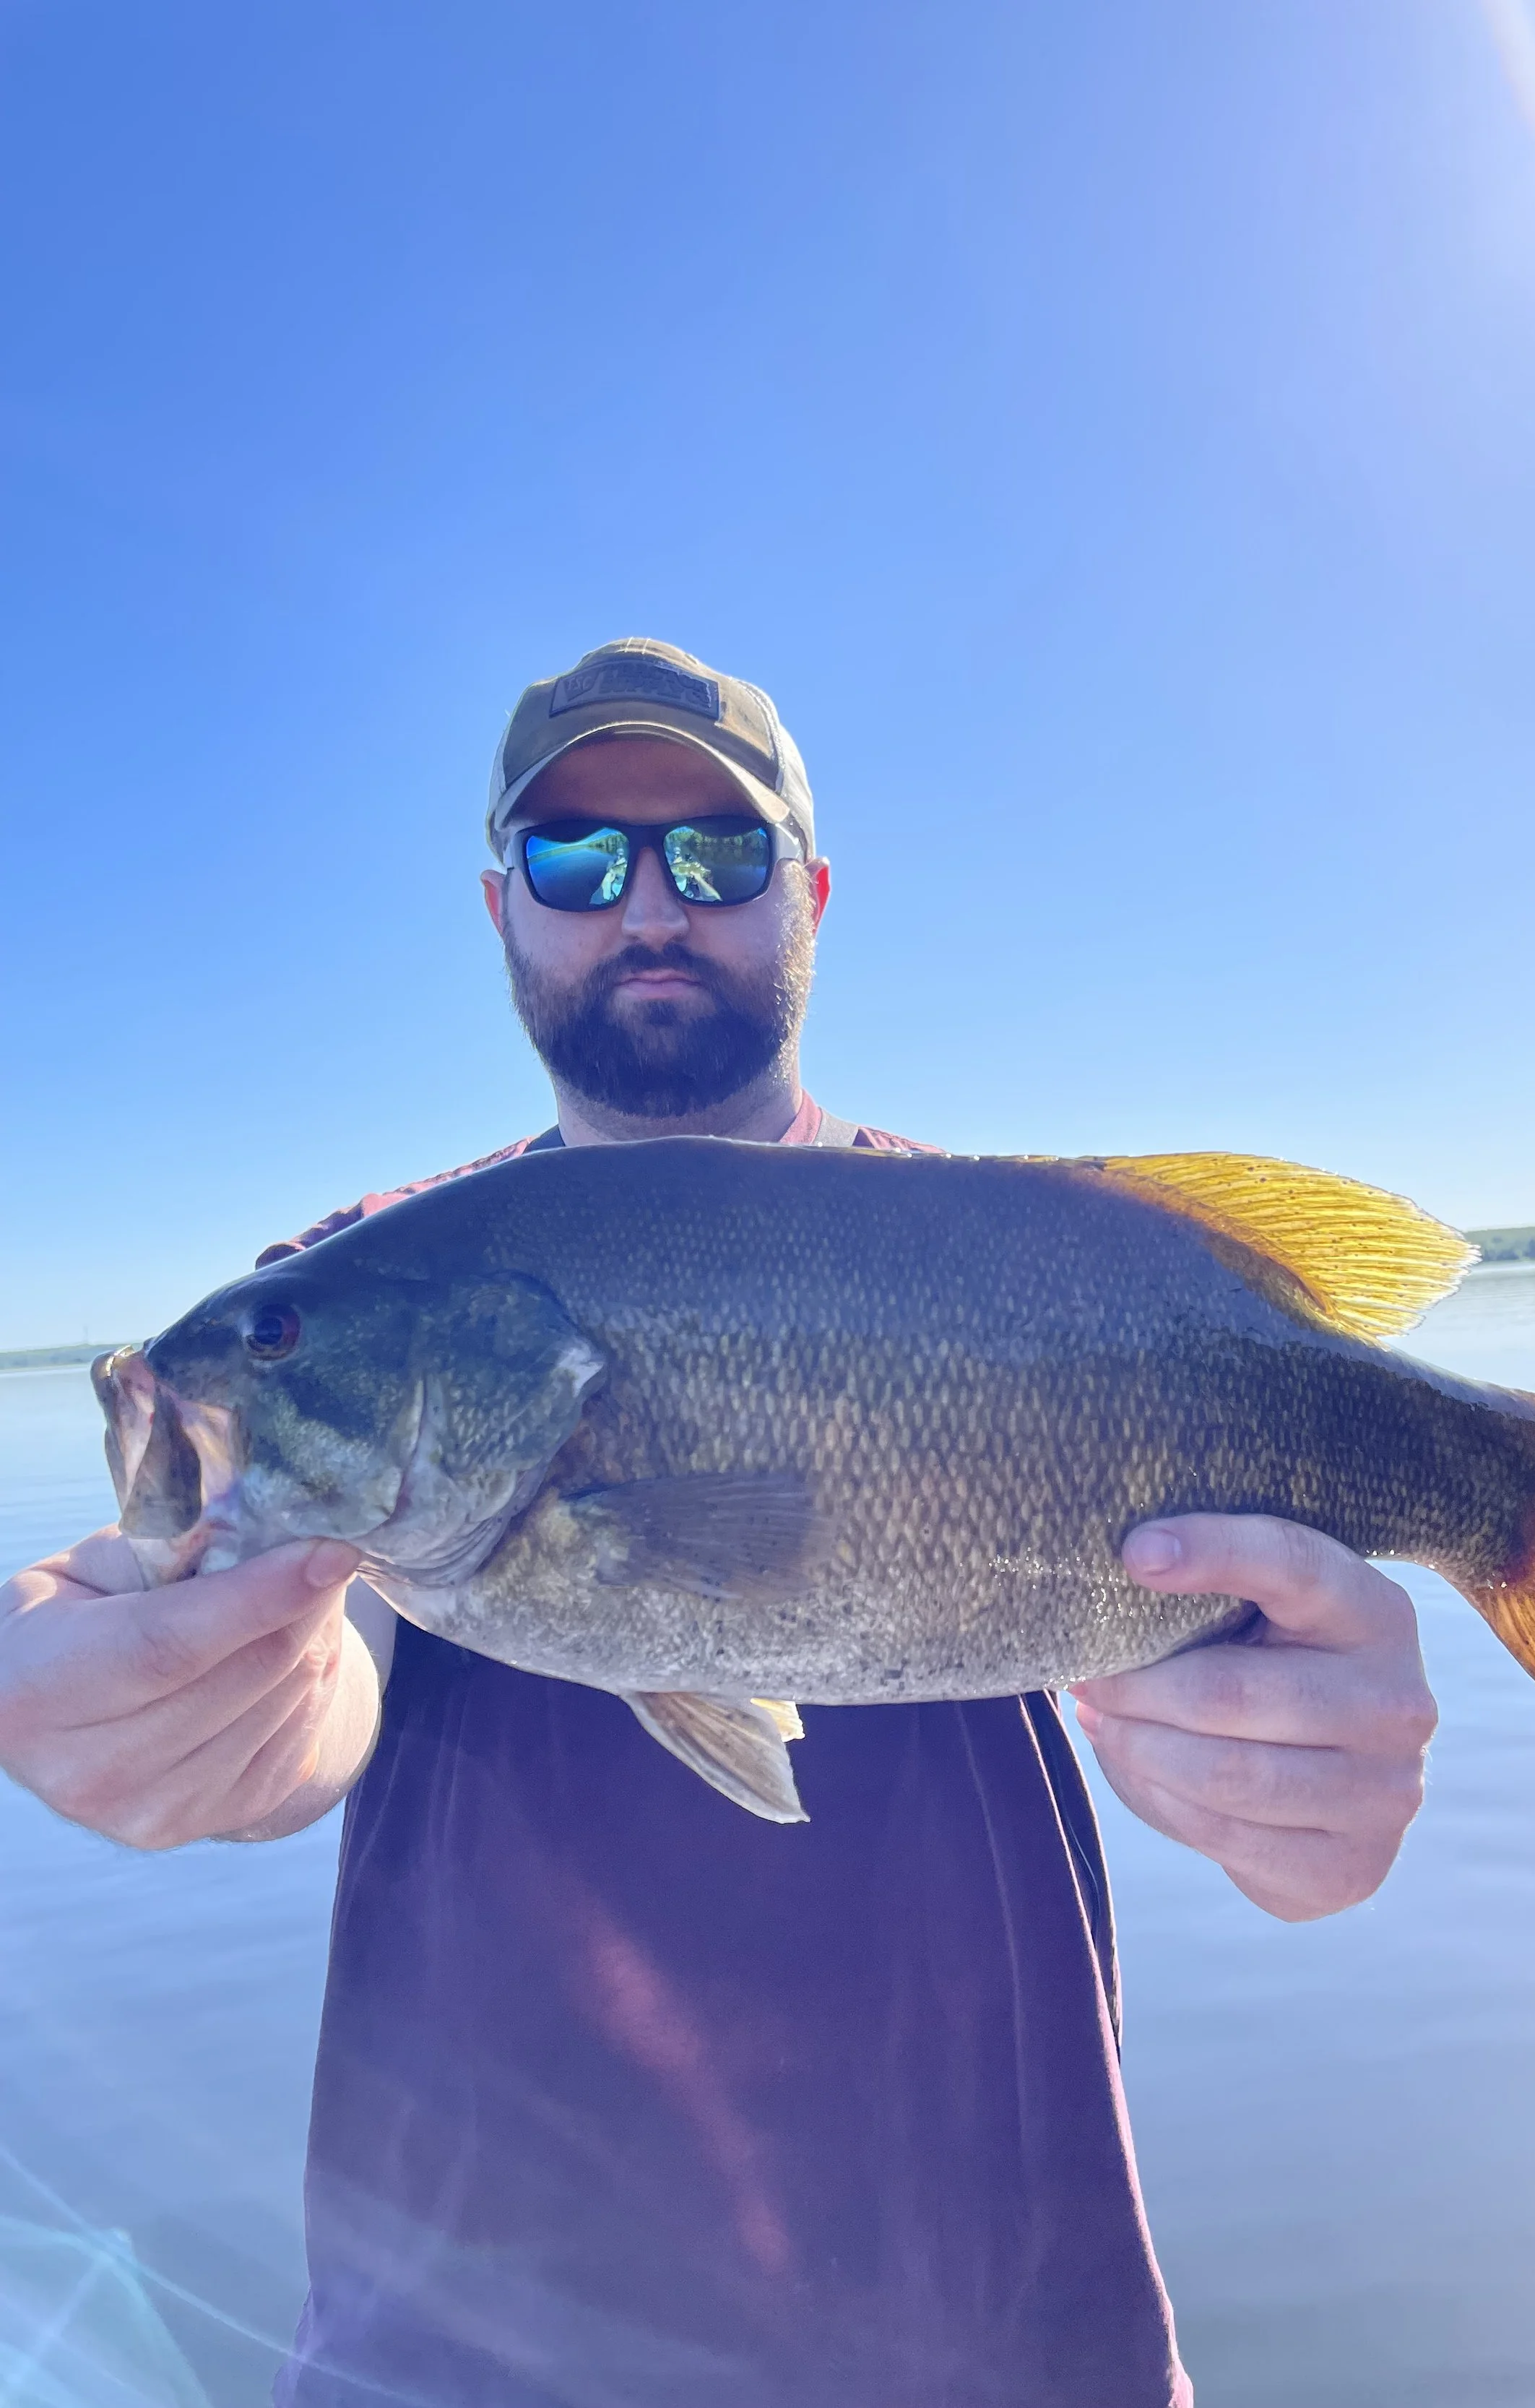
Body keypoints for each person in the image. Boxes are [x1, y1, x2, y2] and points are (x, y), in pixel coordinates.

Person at [0, 639, 1437, 2407]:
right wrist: (215, 1701)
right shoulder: (379, 1263)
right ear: (499, 907)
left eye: (720, 853)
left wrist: (1319, 1795)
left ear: (810, 894)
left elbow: (1272, 1674)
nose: (652, 905)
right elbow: (328, 1640)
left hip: (998, 2341)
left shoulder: (1006, 1244)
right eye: (577, 860)